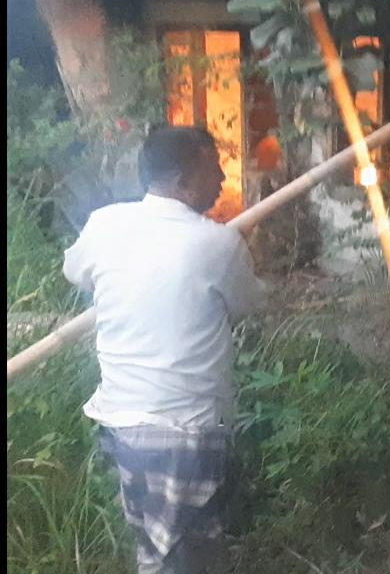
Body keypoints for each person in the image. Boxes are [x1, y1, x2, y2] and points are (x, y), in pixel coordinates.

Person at [63, 125, 268, 574]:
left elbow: (74, 272)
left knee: (158, 549)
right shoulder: (218, 243)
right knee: (184, 559)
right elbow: (249, 303)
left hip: (124, 426)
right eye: (214, 168)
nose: (222, 179)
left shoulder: (104, 225)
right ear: (183, 178)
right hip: (185, 433)